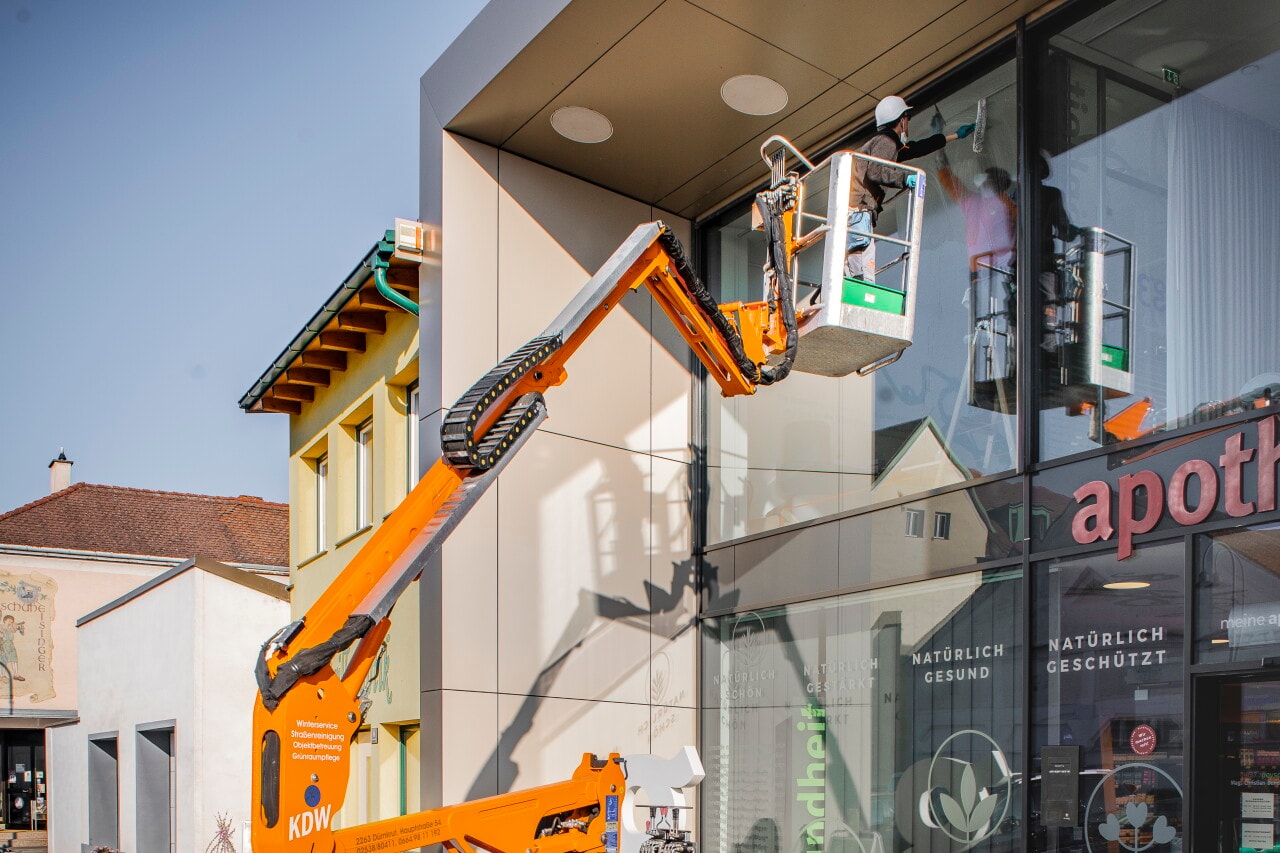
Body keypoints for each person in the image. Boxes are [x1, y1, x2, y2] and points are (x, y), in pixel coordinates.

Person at [846, 95, 974, 283]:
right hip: (859, 212)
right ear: (901, 120)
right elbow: (876, 171)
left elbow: (915, 149)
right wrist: (906, 178)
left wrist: (954, 135)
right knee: (861, 271)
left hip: (858, 212)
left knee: (861, 267)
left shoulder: (885, 142)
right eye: (908, 118)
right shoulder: (886, 141)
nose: (908, 123)